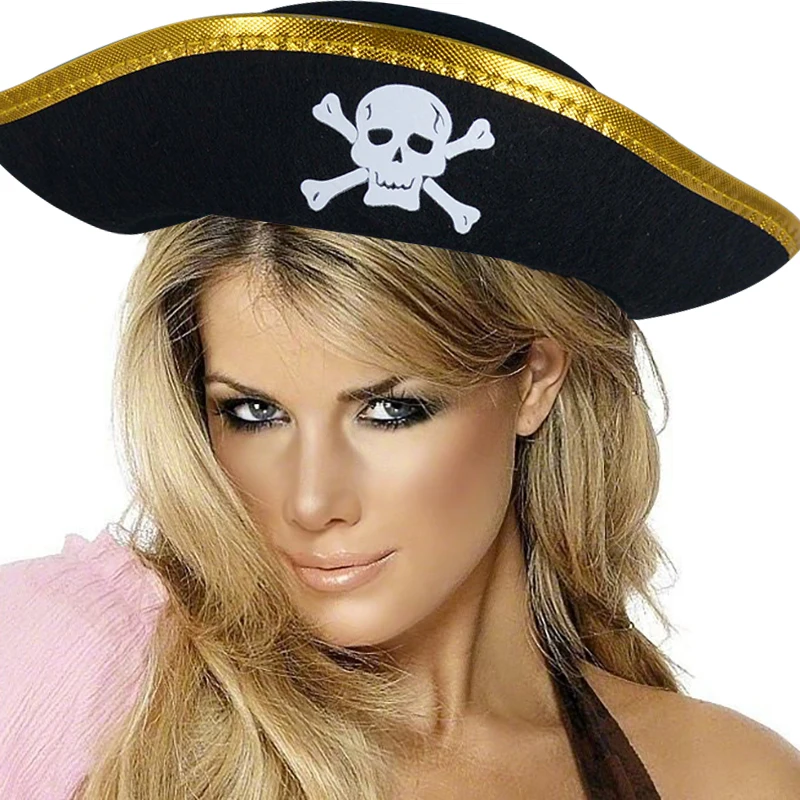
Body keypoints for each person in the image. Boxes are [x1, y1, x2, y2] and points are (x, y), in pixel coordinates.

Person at [0, 3, 799, 800]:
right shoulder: (65, 664)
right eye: (254, 413)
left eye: (389, 412)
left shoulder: (722, 779)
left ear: (534, 380)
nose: (312, 501)